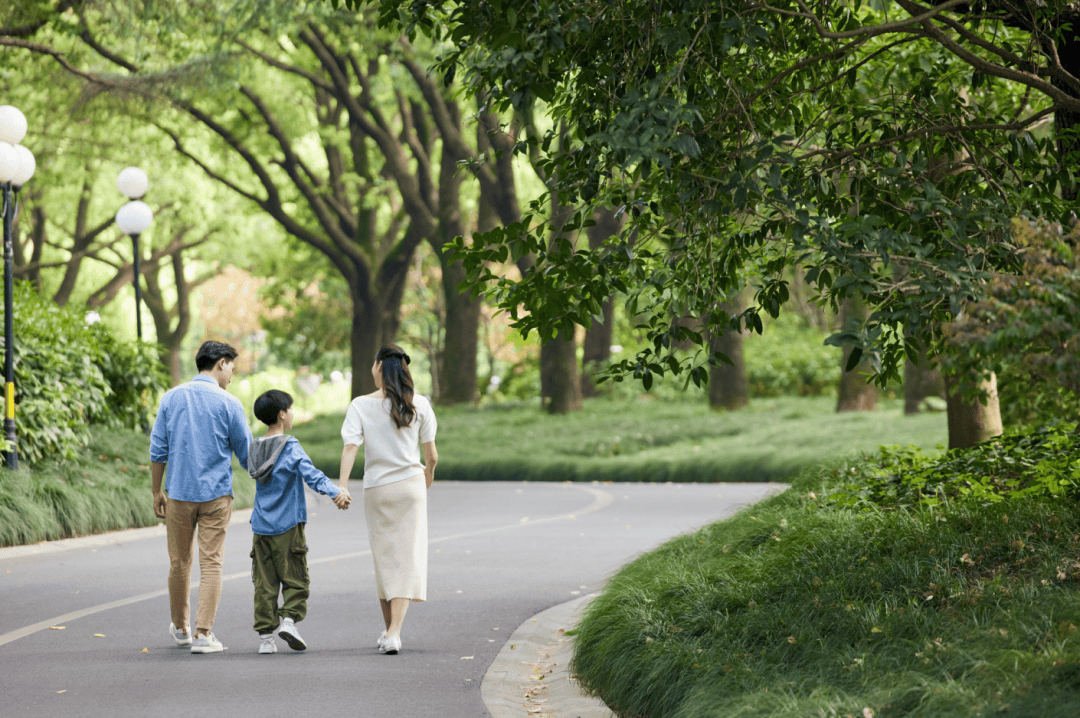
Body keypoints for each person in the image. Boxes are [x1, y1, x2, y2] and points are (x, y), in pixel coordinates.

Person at [151, 341, 252, 654]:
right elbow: (248, 455)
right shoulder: (229, 403)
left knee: (179, 563)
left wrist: (157, 490)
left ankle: (181, 628)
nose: (233, 374)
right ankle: (203, 634)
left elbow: (158, 449)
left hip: (179, 494)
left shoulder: (171, 398)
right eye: (232, 367)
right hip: (216, 497)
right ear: (220, 363)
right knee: (212, 564)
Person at [339, 345, 438, 655]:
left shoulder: (360, 405)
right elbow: (432, 456)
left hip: (377, 489)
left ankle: (391, 631)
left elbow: (350, 447)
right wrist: (427, 480)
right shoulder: (419, 404)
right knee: (406, 558)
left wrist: (342, 485)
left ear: (379, 366)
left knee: (384, 558)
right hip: (411, 487)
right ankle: (392, 632)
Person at [248, 389, 352, 654]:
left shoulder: (256, 447)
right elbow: (311, 474)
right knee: (295, 578)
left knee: (264, 582)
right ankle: (289, 621)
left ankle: (265, 641)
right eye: (291, 409)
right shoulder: (290, 446)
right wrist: (336, 492)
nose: (292, 414)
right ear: (282, 414)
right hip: (288, 525)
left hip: (260, 526)